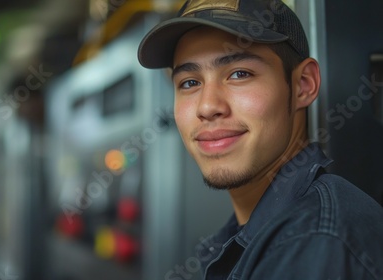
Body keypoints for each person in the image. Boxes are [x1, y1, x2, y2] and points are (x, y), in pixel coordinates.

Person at [137, 0, 383, 279]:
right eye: (190, 83)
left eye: (240, 74)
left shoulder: (315, 244)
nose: (207, 107)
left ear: (304, 84)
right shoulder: (256, 233)